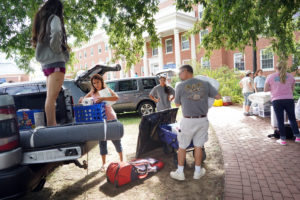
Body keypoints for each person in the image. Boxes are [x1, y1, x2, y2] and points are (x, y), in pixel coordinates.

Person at [170, 65, 221, 181]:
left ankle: (180, 172)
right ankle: (197, 172)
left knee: (182, 146)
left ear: (186, 71)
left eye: (180, 73)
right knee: (198, 146)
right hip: (203, 120)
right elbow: (218, 96)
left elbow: (177, 104)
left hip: (188, 120)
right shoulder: (205, 84)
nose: (179, 75)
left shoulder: (181, 86)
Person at [32, 0, 70, 126]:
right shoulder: (54, 18)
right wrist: (57, 48)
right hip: (56, 62)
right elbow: (57, 31)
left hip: (46, 64)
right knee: (51, 99)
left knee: (50, 98)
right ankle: (52, 126)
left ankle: (51, 125)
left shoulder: (41, 21)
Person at [79, 74, 123, 171]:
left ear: (102, 81)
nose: (96, 85)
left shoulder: (106, 90)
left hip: (111, 119)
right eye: (94, 83)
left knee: (116, 141)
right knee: (102, 143)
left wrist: (104, 98)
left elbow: (116, 97)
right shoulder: (92, 92)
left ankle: (122, 161)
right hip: (99, 120)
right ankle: (103, 164)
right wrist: (81, 99)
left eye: (97, 82)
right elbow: (83, 100)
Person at [264, 61, 300, 145]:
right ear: (285, 67)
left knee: (280, 120)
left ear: (276, 68)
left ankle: (283, 140)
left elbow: (265, 89)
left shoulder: (270, 76)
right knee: (292, 118)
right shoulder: (291, 76)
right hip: (289, 99)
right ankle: (298, 137)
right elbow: (292, 89)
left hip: (277, 100)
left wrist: (274, 88)